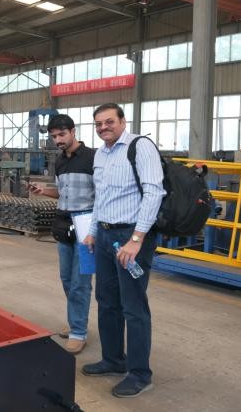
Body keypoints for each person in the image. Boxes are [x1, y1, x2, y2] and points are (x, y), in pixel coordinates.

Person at [81, 103, 165, 398]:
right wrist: (93, 232)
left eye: (109, 121)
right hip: (105, 236)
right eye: (98, 124)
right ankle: (114, 359)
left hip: (131, 236)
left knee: (133, 306)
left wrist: (137, 238)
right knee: (106, 300)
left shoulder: (140, 147)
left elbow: (154, 192)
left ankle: (140, 374)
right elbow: (101, 197)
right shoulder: (100, 154)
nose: (103, 127)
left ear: (122, 121)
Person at [29, 114, 94, 354]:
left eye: (62, 134)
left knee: (80, 283)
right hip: (63, 225)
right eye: (54, 136)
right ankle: (77, 321)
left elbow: (103, 195)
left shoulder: (93, 158)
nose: (58, 140)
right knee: (67, 279)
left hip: (86, 227)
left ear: (73, 131)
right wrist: (44, 190)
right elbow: (62, 192)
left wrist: (95, 230)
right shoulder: (59, 161)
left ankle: (79, 331)